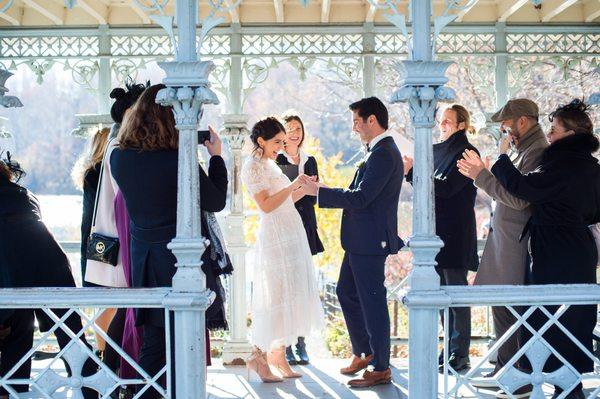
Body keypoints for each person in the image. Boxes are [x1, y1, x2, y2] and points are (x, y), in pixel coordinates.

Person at [458, 99, 599, 399]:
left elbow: (524, 191)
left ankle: (560, 388)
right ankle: (566, 388)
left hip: (556, 252)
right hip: (577, 250)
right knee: (569, 321)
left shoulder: (560, 164)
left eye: (555, 130)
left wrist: (498, 160)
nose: (550, 135)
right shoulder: (588, 165)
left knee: (551, 321)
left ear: (570, 135)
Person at [111, 84, 230, 397]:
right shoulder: (176, 161)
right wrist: (215, 158)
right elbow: (216, 200)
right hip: (181, 264)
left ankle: (145, 393)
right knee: (183, 344)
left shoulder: (119, 159)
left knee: (154, 343)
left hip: (143, 261)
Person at [301, 97, 404, 388]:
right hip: (360, 241)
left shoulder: (384, 153)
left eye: (357, 121)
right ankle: (364, 351)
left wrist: (318, 192)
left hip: (370, 242)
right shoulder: (378, 152)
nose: (354, 128)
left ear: (373, 120)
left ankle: (381, 367)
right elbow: (358, 192)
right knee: (346, 292)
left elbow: (360, 198)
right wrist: (320, 189)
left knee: (373, 303)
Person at [457, 98, 548, 398]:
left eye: (506, 123)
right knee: (503, 308)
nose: (504, 130)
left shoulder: (537, 152)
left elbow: (520, 200)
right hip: (507, 242)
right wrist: (484, 175)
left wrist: (482, 177)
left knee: (512, 311)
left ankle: (517, 377)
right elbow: (511, 191)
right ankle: (505, 370)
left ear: (522, 121)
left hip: (517, 244)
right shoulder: (524, 150)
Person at [0, 152, 98, 399]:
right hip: (50, 266)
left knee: (18, 331)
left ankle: (11, 391)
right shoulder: (25, 197)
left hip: (10, 277)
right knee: (70, 334)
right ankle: (91, 389)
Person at [241, 116, 325, 383]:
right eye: (277, 141)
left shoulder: (269, 163)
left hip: (292, 230)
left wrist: (304, 187)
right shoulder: (252, 166)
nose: (281, 145)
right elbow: (266, 205)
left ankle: (279, 353)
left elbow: (286, 199)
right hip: (276, 235)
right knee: (276, 295)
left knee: (292, 290)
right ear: (261, 141)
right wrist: (292, 184)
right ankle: (258, 356)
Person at [403, 104, 479, 372]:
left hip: (455, 231)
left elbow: (446, 188)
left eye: (449, 121)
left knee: (456, 294)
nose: (443, 125)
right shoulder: (435, 149)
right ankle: (448, 349)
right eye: (442, 121)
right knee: (439, 294)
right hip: (434, 230)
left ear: (462, 125)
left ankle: (460, 353)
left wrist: (413, 173)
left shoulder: (467, 152)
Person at [275, 111, 324, 366]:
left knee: (303, 287)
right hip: (284, 227)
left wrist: (304, 188)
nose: (295, 132)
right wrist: (302, 187)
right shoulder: (277, 160)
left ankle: (301, 344)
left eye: (298, 128)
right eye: (290, 128)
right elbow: (281, 199)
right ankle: (286, 345)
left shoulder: (310, 160)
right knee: (287, 288)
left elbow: (314, 195)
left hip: (306, 226)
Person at [72, 127, 110, 287]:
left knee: (100, 293)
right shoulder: (99, 173)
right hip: (104, 240)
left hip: (93, 239)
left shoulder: (91, 173)